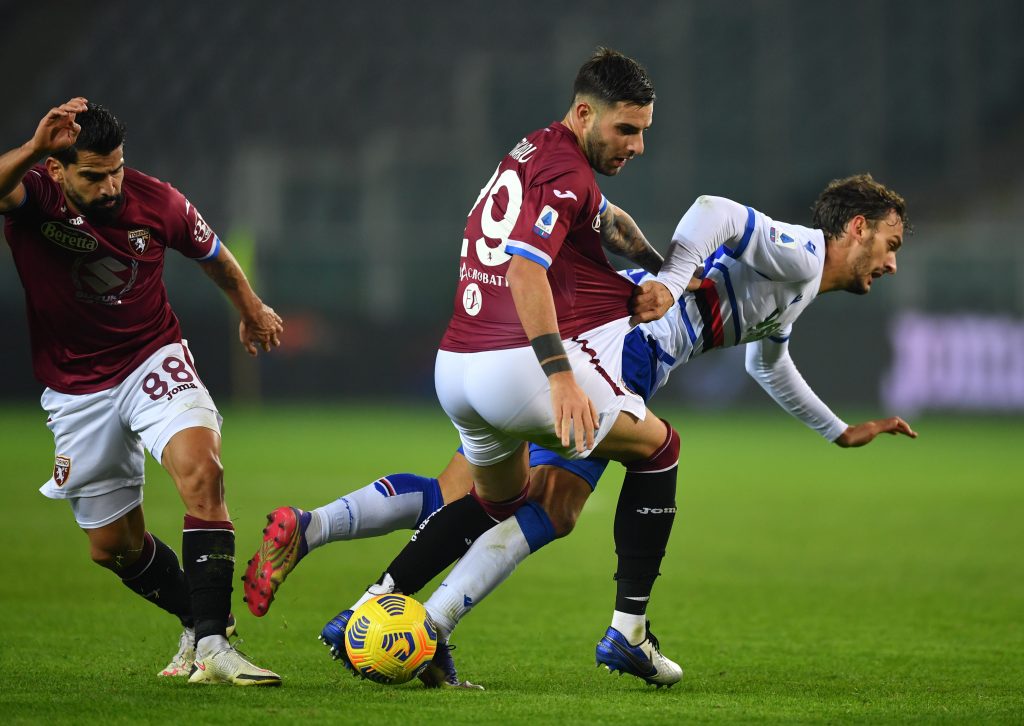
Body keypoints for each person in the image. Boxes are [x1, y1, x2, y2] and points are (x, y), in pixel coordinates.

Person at [244, 174, 917, 688]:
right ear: (857, 228)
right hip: (625, 347)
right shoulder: (803, 254)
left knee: (474, 492)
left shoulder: (796, 289)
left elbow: (767, 363)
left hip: (603, 337)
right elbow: (714, 211)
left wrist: (837, 431)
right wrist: (670, 284)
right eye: (890, 246)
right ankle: (425, 625)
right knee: (556, 506)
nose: (891, 263)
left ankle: (327, 544)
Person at [0, 99, 283, 686]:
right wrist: (31, 147)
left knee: (203, 471)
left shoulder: (158, 201)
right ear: (58, 169)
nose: (110, 187)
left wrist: (252, 309)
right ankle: (199, 618)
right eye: (93, 175)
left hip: (151, 358)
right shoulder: (32, 193)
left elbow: (215, 256)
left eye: (117, 170)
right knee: (113, 548)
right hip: (77, 389)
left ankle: (214, 647)